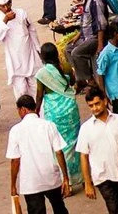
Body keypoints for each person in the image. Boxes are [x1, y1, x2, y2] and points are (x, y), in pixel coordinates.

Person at [6, 95, 71, 214]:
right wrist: (65, 178)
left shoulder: (16, 130)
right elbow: (59, 152)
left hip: (31, 181)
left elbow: (15, 160)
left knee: (36, 211)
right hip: (51, 177)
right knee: (59, 208)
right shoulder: (48, 125)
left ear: (23, 109)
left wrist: (13, 185)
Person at [35, 43, 83, 191]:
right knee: (74, 143)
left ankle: (65, 182)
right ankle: (81, 177)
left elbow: (39, 96)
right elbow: (74, 82)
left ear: (42, 57)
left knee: (59, 147)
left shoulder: (42, 74)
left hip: (54, 114)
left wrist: (35, 113)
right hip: (70, 110)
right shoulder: (66, 67)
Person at [0, 0, 42, 98]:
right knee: (21, 92)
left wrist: (38, 49)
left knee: (36, 89)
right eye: (2, 6)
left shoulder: (22, 13)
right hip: (15, 61)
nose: (6, 8)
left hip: (30, 57)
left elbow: (32, 31)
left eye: (7, 5)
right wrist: (5, 20)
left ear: (11, 2)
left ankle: (39, 113)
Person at [66, 0, 107, 89]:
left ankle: (89, 80)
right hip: (85, 36)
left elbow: (101, 22)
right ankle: (82, 78)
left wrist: (100, 44)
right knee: (68, 49)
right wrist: (78, 35)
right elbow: (86, 21)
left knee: (76, 53)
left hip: (94, 37)